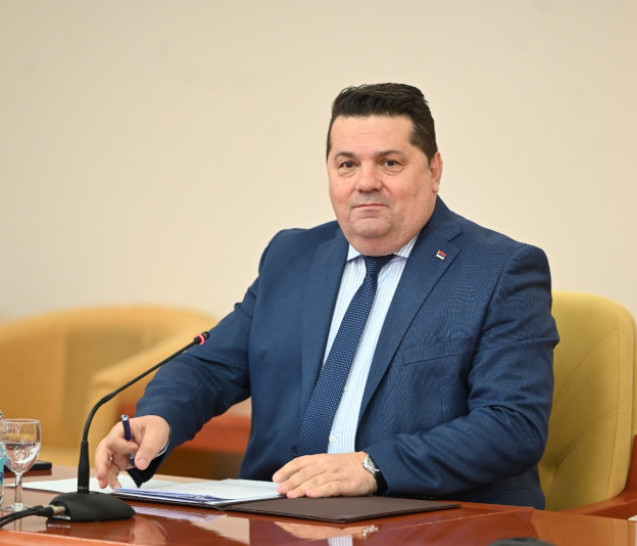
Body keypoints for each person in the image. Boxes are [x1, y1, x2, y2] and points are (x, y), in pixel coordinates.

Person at [95, 83, 559, 508]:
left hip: (428, 521)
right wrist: (159, 419)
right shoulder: (292, 257)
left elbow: (513, 424)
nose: (366, 182)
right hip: (279, 516)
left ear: (434, 170)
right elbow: (211, 366)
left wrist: (371, 468)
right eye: (347, 164)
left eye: (390, 163)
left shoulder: (499, 270)